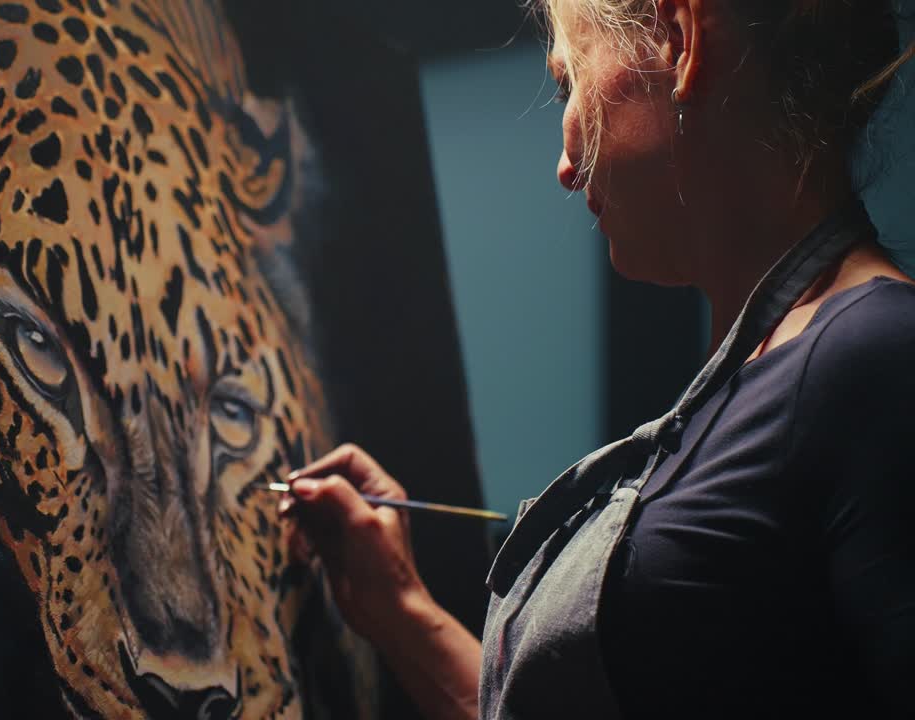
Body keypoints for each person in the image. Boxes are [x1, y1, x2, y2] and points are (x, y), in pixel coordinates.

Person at [279, 1, 915, 718]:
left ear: (680, 37)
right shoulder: (776, 372)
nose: (563, 165)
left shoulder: (880, 355)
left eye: (565, 83)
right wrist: (399, 609)